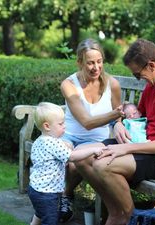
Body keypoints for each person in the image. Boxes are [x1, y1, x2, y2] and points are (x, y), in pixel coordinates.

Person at [75, 38, 155, 225]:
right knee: (81, 156)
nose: (138, 79)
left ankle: (128, 215)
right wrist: (120, 124)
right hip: (143, 147)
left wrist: (126, 149)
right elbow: (137, 118)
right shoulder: (152, 85)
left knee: (103, 165)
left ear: (150, 65)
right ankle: (116, 212)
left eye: (137, 74)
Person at [59, 38, 124, 222]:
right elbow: (86, 122)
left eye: (99, 61)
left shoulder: (113, 85)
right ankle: (46, 203)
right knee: (60, 155)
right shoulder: (69, 85)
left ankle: (66, 195)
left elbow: (117, 115)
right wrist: (115, 116)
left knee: (74, 164)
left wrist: (118, 122)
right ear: (80, 63)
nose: (96, 67)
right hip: (69, 135)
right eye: (90, 63)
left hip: (96, 139)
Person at [28, 102, 103, 225]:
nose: (65, 126)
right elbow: (72, 157)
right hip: (48, 193)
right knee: (50, 220)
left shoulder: (39, 141)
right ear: (47, 126)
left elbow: (49, 160)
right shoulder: (54, 143)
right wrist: (93, 150)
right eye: (61, 124)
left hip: (35, 189)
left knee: (40, 213)